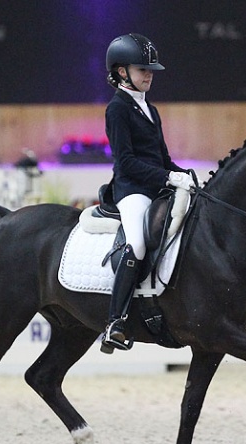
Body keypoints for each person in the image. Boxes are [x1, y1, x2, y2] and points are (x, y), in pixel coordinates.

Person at [102, 33, 193, 351]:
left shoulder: (150, 109)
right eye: (143, 69)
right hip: (132, 190)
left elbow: (163, 158)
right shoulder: (117, 110)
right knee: (137, 242)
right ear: (122, 72)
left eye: (151, 69)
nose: (149, 74)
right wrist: (168, 177)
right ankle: (116, 321)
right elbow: (125, 162)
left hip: (156, 186)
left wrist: (184, 175)